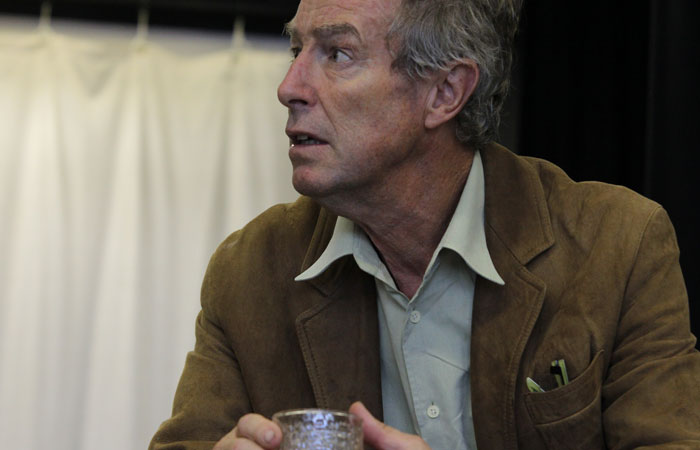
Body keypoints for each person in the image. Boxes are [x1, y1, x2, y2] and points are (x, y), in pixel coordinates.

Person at [150, 0, 700, 448]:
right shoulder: (249, 271)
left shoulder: (617, 247)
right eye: (298, 50)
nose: (289, 86)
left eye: (337, 54)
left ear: (445, 92)